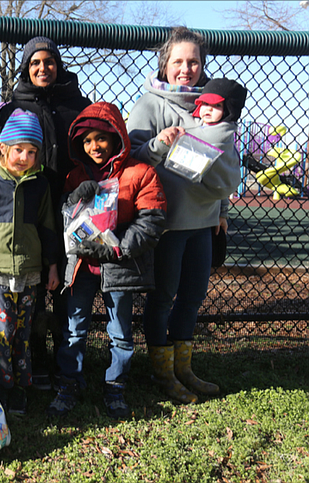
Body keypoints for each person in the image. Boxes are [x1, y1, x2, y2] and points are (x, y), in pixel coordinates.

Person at [126, 27, 244, 403]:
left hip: (205, 220)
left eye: (193, 61)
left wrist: (222, 209)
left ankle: (183, 368)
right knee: (162, 298)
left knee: (193, 297)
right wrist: (159, 144)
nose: (186, 68)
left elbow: (223, 162)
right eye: (178, 61)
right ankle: (162, 372)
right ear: (165, 64)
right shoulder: (150, 104)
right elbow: (129, 158)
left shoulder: (213, 103)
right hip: (167, 223)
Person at [46, 102, 167, 419]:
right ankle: (68, 384)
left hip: (119, 268)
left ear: (117, 138)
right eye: (87, 141)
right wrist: (73, 199)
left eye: (101, 138)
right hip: (82, 266)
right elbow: (65, 220)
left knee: (120, 333)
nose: (94, 146)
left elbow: (151, 223)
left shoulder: (139, 173)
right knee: (74, 330)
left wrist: (116, 250)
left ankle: (115, 387)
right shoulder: (75, 175)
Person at [0, 36, 91, 391]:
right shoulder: (12, 107)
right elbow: (4, 160)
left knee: (67, 287)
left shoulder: (78, 104)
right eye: (35, 63)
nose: (42, 68)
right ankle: (33, 361)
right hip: (29, 209)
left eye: (49, 62)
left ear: (58, 65)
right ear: (26, 67)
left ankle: (67, 363)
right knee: (31, 291)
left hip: (73, 207)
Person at [0, 108, 60, 414]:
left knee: (24, 330)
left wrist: (52, 265)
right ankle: (4, 387)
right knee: (2, 331)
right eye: (19, 150)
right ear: (3, 148)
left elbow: (48, 227)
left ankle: (23, 383)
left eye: (32, 152)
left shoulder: (40, 185)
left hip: (30, 272)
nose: (25, 157)